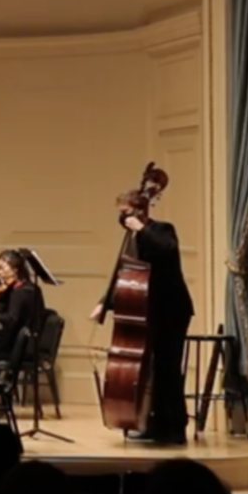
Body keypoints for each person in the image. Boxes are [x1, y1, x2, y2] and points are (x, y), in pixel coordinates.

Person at [91, 188, 193, 445]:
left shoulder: (161, 230)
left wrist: (142, 228)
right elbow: (126, 275)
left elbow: (167, 249)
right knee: (152, 370)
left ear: (140, 210)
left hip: (171, 310)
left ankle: (176, 426)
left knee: (168, 369)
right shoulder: (132, 239)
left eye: (124, 213)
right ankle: (155, 422)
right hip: (148, 310)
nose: (122, 219)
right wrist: (104, 303)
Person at [0, 249, 44, 372]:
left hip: (18, 347)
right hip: (21, 342)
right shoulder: (29, 288)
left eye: (1, 268)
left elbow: (12, 319)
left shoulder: (21, 292)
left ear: (15, 270)